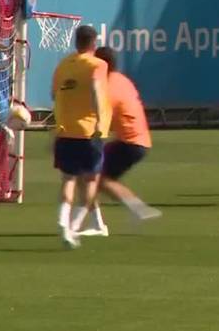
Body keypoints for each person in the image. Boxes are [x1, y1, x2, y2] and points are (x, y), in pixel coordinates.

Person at [72, 47, 162, 236]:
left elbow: (99, 119)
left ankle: (133, 210)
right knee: (90, 175)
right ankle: (106, 220)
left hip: (130, 143)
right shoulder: (121, 80)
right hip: (137, 139)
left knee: (95, 177)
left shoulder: (107, 88)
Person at [51, 25, 110, 249]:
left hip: (65, 131)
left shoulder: (63, 65)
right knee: (91, 181)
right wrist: (98, 120)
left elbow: (54, 94)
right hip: (89, 131)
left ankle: (64, 219)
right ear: (94, 43)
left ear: (76, 42)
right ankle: (74, 226)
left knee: (69, 179)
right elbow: (95, 89)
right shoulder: (98, 65)